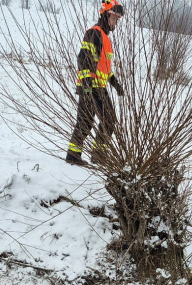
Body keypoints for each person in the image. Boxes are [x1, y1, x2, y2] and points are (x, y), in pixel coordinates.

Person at [65, 1, 125, 166]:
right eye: (114, 18)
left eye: (117, 20)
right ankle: (97, 155)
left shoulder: (105, 38)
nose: (115, 23)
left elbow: (103, 68)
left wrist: (115, 83)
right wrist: (86, 85)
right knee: (108, 120)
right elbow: (83, 58)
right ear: (106, 15)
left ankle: (73, 155)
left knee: (86, 121)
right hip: (92, 87)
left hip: (98, 86)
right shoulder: (95, 33)